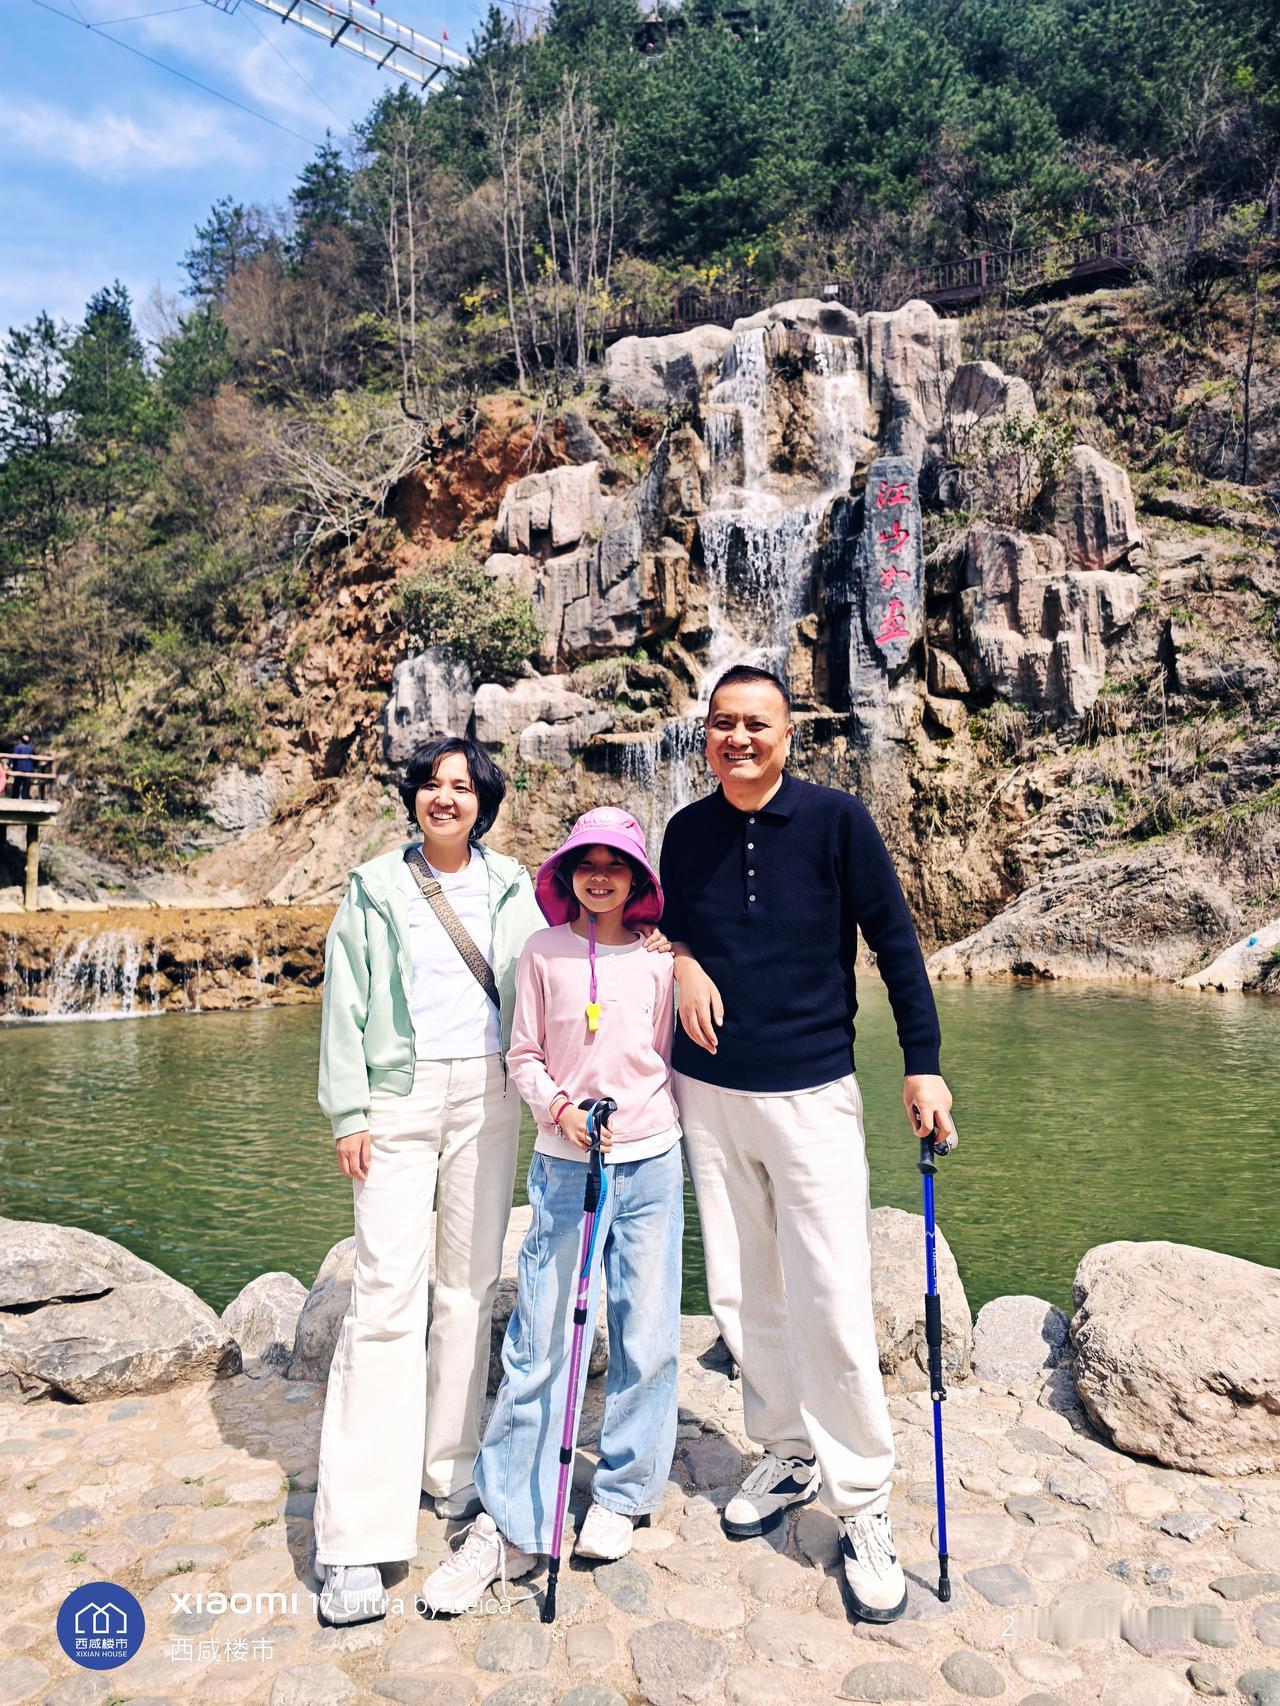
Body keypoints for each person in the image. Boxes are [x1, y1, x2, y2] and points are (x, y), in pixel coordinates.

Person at [659, 664, 956, 1625]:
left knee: (830, 1294)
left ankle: (862, 1501)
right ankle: (786, 1451)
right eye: (722, 723)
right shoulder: (684, 831)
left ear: (788, 734)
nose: (738, 737)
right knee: (744, 1289)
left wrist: (923, 1064)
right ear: (706, 735)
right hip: (708, 1092)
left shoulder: (837, 821)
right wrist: (683, 961)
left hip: (812, 1090)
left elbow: (895, 944)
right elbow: (669, 931)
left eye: (757, 722)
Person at [421, 807, 684, 1615]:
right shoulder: (541, 952)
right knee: (540, 1340)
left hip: (651, 1162)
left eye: (616, 863)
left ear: (637, 878)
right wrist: (559, 1109)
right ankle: (509, 1517)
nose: (600, 875)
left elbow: (666, 1056)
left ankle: (624, 1493)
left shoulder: (661, 961)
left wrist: (685, 956)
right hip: (568, 1166)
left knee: (646, 1332)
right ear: (567, 874)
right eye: (586, 862)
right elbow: (524, 1053)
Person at [312, 735, 544, 1627]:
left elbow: (556, 970)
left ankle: (450, 1470)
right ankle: (356, 1537)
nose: (445, 797)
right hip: (396, 1099)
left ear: (483, 804)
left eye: (462, 786)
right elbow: (345, 1002)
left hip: (490, 1097)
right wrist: (349, 1112)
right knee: (383, 1302)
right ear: (414, 797)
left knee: (468, 1292)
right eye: (432, 785)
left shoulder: (514, 884)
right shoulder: (376, 886)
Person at [11, 735, 34, 800]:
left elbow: (14, 758)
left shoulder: (18, 747)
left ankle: (15, 797)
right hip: (28, 769)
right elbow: (35, 759)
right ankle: (25, 797)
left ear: (21, 740)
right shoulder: (31, 748)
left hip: (19, 768)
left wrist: (13, 767)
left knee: (17, 784)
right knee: (26, 785)